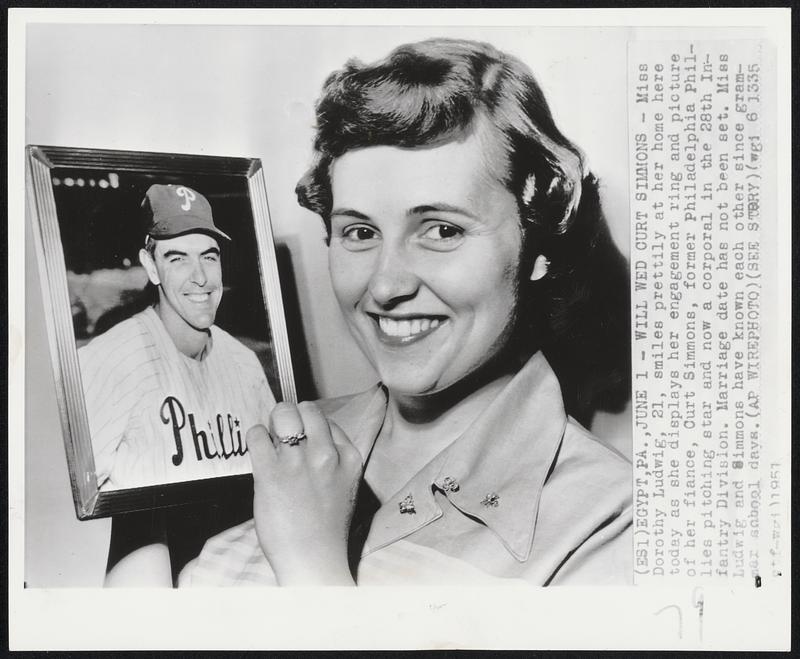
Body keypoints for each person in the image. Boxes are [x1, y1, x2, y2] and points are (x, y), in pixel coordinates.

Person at [179, 37, 632, 586]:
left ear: (539, 248)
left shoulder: (611, 520)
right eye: (360, 232)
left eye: (442, 230)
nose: (386, 284)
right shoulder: (267, 441)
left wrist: (310, 567)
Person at [78, 183, 276, 491]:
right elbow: (74, 501)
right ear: (151, 267)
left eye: (209, 257)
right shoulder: (107, 361)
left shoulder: (245, 363)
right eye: (178, 258)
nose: (200, 277)